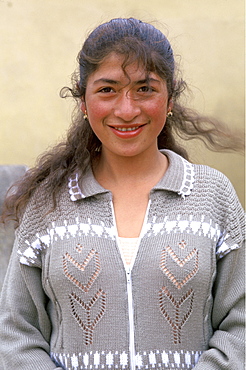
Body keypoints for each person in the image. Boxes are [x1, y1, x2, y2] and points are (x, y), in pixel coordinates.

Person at [0, 17, 244, 370]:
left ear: (170, 99)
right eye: (107, 89)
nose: (127, 110)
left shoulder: (213, 194)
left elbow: (241, 322)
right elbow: (15, 334)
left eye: (145, 89)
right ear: (83, 102)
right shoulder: (48, 203)